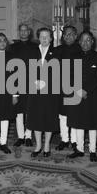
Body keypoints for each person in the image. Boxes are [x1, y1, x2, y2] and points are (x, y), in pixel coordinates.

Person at [66, 31, 97, 162]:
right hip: (76, 93)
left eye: (88, 40)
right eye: (83, 40)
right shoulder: (72, 56)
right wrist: (78, 90)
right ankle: (79, 149)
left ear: (92, 42)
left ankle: (93, 150)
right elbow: (70, 75)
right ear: (79, 42)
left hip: (93, 95)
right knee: (78, 122)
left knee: (92, 123)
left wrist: (86, 90)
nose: (85, 43)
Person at [26, 27, 60, 157]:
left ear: (51, 38)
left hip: (50, 91)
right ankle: (38, 145)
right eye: (42, 36)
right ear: (38, 38)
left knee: (48, 118)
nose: (44, 39)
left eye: (47, 36)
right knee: (36, 118)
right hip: (35, 91)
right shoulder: (32, 51)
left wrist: (45, 83)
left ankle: (46, 146)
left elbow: (59, 72)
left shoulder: (56, 52)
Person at [10, 23, 37, 148]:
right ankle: (20, 136)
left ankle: (28, 136)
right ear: (19, 32)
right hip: (17, 81)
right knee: (19, 110)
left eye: (26, 30)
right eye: (21, 30)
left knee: (30, 110)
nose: (23, 33)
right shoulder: (12, 47)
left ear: (29, 32)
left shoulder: (36, 46)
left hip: (32, 81)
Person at [54, 25, 80, 151]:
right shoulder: (57, 50)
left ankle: (74, 141)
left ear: (75, 36)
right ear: (62, 36)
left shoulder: (81, 50)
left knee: (74, 114)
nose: (67, 36)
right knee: (62, 115)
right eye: (65, 34)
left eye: (70, 34)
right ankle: (64, 139)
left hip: (76, 86)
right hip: (61, 87)